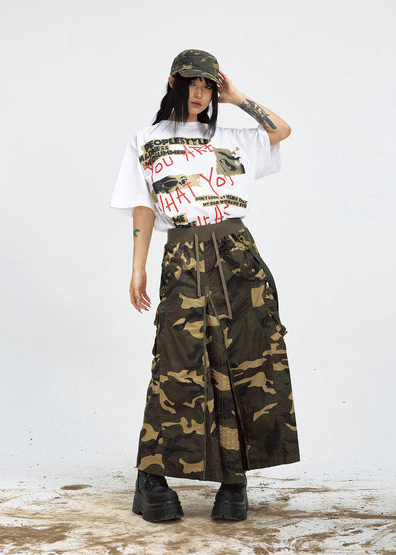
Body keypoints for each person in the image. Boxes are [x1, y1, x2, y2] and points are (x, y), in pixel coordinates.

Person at [110, 49, 300, 523]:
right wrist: (137, 268)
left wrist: (237, 97)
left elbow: (281, 130)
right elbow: (142, 206)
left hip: (238, 257)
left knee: (244, 359)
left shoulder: (232, 138)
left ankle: (235, 480)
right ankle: (151, 479)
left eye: (208, 85)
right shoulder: (146, 140)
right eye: (192, 83)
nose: (199, 93)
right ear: (173, 82)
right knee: (176, 363)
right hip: (183, 256)